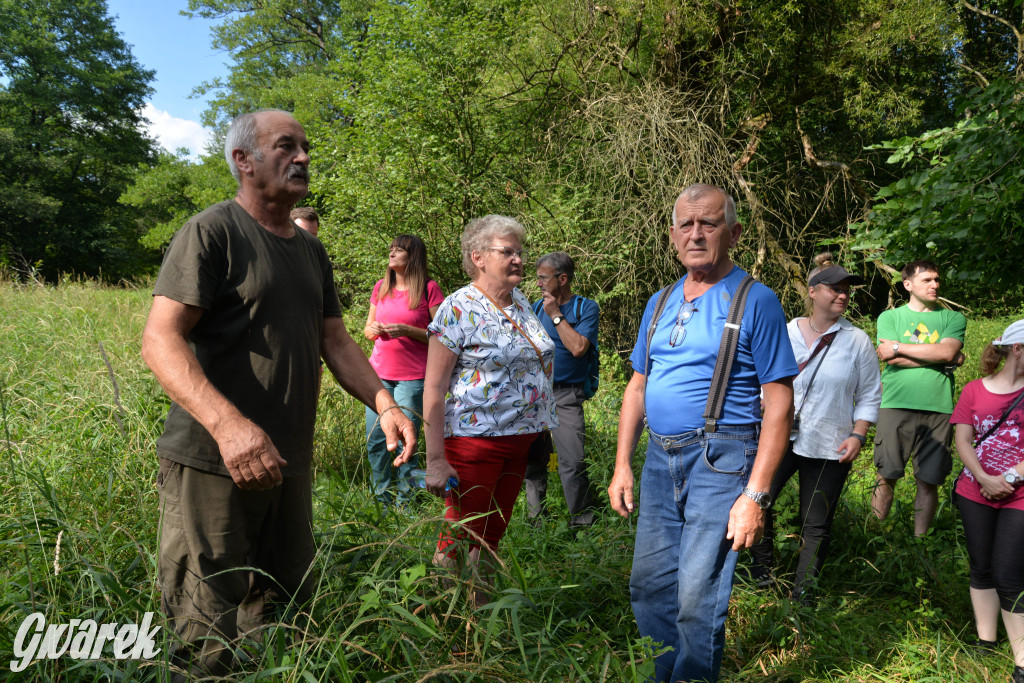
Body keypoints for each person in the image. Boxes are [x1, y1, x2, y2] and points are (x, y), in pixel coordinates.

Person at [140, 110, 416, 679]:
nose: (303, 157)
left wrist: (386, 403)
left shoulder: (310, 251)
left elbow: (335, 341)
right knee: (205, 620)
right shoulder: (213, 231)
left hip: (287, 461)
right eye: (285, 146)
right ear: (243, 161)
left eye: (305, 147)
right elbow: (159, 339)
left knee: (281, 609)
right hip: (213, 458)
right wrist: (229, 426)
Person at [609, 183, 797, 683]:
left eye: (708, 223)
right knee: (648, 586)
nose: (696, 234)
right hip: (657, 458)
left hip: (722, 458)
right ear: (672, 236)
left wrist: (755, 496)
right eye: (687, 225)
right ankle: (662, 676)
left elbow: (779, 403)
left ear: (732, 233)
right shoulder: (660, 299)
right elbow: (636, 388)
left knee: (697, 594)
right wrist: (622, 463)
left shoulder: (756, 300)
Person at [422, 214, 557, 603]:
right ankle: (444, 623)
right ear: (477, 256)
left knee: (491, 537)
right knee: (459, 538)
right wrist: (435, 460)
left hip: (520, 441)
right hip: (475, 442)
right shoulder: (457, 308)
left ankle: (480, 622)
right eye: (507, 252)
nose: (518, 259)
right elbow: (433, 388)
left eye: (519, 251)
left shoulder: (520, 303)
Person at [748, 253, 881, 604]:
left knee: (815, 523)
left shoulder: (857, 342)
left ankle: (802, 598)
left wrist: (858, 434)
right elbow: (758, 377)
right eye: (834, 288)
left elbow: (869, 394)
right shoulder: (784, 332)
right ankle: (764, 577)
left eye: (847, 291)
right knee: (757, 502)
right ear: (812, 292)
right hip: (776, 436)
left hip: (829, 442)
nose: (842, 296)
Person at [951, 320, 1024, 683]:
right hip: (974, 490)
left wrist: (1007, 480)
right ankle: (985, 642)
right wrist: (982, 478)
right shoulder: (974, 390)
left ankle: (1023, 663)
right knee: (981, 566)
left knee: (1010, 574)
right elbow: (963, 440)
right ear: (1018, 350)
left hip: (1020, 495)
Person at [871, 260, 967, 537]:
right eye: (927, 280)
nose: (935, 285)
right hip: (895, 404)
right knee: (886, 474)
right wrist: (940, 358)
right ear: (908, 284)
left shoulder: (953, 318)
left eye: (937, 279)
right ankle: (874, 537)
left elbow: (946, 353)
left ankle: (919, 543)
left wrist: (900, 348)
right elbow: (890, 359)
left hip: (938, 408)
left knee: (929, 479)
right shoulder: (890, 318)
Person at [362, 235, 444, 504]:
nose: (393, 252)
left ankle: (406, 503)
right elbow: (367, 329)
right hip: (378, 378)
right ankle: (382, 500)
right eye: (392, 248)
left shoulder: (429, 289)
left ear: (414, 256)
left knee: (407, 438)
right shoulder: (380, 287)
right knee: (376, 440)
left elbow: (443, 334)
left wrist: (409, 331)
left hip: (413, 378)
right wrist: (371, 330)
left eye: (400, 249)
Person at [523, 251, 600, 528]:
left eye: (543, 278)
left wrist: (556, 315)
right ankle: (536, 520)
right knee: (534, 461)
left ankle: (581, 523)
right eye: (538, 278)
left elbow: (579, 348)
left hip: (566, 395)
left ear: (562, 278)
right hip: (535, 395)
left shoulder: (585, 308)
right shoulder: (533, 308)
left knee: (573, 461)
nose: (539, 283)